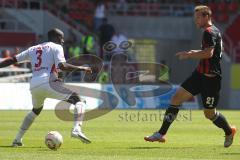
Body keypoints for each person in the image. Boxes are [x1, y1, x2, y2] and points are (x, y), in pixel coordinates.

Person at [144, 5, 236, 148]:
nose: (196, 20)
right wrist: (195, 51)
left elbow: (209, 53)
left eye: (198, 17)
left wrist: (190, 55)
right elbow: (213, 50)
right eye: (195, 18)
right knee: (176, 98)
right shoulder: (214, 30)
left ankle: (229, 131)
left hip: (211, 79)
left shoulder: (209, 32)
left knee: (209, 114)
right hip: (199, 75)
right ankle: (160, 134)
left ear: (206, 17)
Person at [0, 28, 92, 147]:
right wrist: (82, 68)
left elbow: (12, 60)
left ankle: (17, 140)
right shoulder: (56, 47)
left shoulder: (33, 49)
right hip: (47, 82)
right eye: (61, 38)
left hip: (34, 85)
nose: (63, 41)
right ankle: (76, 130)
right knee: (79, 100)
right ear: (56, 38)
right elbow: (62, 66)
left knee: (35, 110)